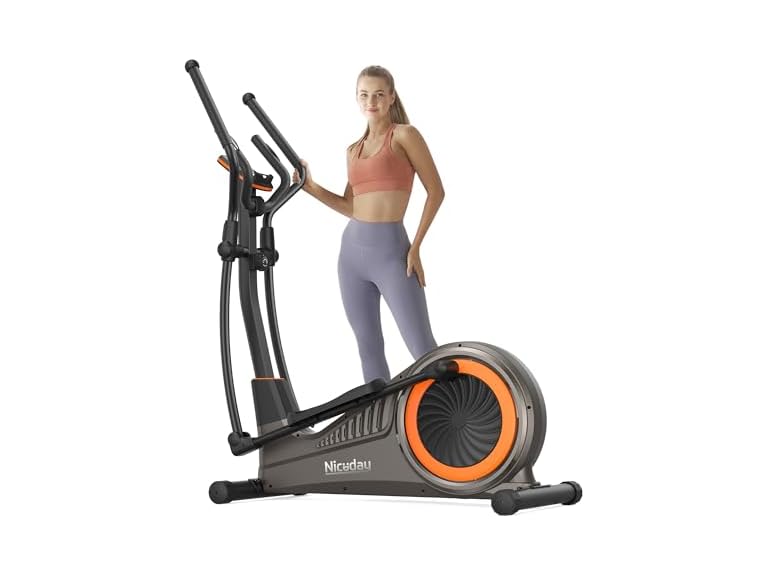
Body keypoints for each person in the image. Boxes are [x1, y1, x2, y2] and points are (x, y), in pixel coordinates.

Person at [293, 65, 445, 383]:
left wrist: (416, 247)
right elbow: (351, 206)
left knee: (423, 348)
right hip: (351, 256)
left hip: (392, 254)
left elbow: (436, 191)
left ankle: (458, 405)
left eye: (378, 94)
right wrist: (311, 187)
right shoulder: (353, 150)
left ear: (391, 97)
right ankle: (378, 411)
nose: (371, 101)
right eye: (364, 95)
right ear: (357, 99)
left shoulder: (404, 135)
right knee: (369, 347)